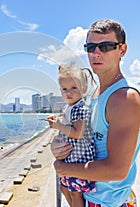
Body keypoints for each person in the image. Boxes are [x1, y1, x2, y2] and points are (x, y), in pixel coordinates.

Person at [51, 19, 140, 207]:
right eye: (91, 47)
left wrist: (63, 167)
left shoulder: (124, 98)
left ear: (122, 50)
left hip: (108, 201)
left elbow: (117, 170)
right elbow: (82, 135)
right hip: (92, 196)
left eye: (106, 46)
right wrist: (57, 146)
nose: (96, 53)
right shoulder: (92, 94)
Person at [46, 64, 96, 207]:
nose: (68, 92)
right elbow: (67, 121)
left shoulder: (80, 108)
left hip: (79, 160)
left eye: (74, 88)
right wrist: (57, 120)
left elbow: (78, 133)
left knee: (75, 194)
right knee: (64, 188)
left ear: (84, 88)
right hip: (71, 159)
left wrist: (58, 126)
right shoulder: (70, 107)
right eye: (64, 89)